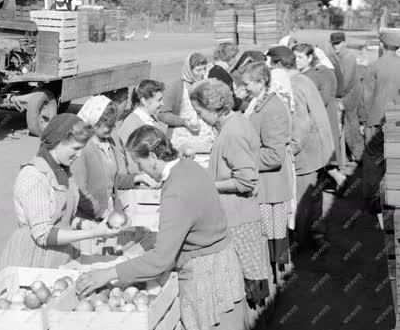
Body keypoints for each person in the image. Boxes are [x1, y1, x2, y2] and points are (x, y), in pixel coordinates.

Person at [76, 126, 246, 330]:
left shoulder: (175, 190)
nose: (141, 170)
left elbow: (160, 261)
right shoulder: (188, 166)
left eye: (140, 164)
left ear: (153, 158)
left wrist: (107, 273)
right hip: (222, 262)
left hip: (206, 275)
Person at [0, 114, 121, 268]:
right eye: (76, 148)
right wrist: (93, 233)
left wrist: (82, 224)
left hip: (58, 256)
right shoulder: (34, 177)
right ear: (58, 142)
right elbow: (43, 234)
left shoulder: (62, 171)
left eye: (81, 149)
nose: (79, 155)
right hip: (34, 260)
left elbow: (59, 216)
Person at [189, 79, 270, 311]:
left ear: (216, 107)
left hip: (238, 218)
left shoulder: (232, 133)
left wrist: (209, 184)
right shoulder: (236, 123)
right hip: (241, 215)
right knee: (250, 281)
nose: (199, 117)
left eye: (200, 112)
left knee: (247, 284)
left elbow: (246, 180)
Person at [266, 46, 334, 252]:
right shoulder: (304, 79)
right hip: (319, 148)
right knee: (314, 196)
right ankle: (317, 235)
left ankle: (299, 244)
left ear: (278, 64)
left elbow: (301, 125)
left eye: (270, 63)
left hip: (307, 150)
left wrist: (289, 151)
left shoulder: (291, 85)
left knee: (302, 199)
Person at [239, 62, 294, 281]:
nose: (243, 89)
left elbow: (273, 156)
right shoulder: (259, 102)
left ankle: (273, 290)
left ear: (261, 82)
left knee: (270, 241)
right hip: (266, 185)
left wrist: (242, 158)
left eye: (247, 84)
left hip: (270, 188)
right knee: (268, 241)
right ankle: (271, 284)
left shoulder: (272, 108)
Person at [72, 96, 158, 221]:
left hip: (108, 214)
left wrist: (138, 178)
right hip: (88, 219)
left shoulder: (110, 142)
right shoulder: (82, 149)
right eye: (107, 125)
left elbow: (115, 180)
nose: (112, 128)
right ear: (94, 121)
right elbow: (80, 191)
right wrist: (103, 213)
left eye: (113, 124)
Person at [293, 43, 346, 191]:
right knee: (321, 158)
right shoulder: (307, 74)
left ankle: (339, 179)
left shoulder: (319, 74)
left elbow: (323, 100)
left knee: (322, 156)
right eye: (295, 57)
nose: (297, 60)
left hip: (320, 121)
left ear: (310, 57)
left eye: (300, 57)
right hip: (316, 120)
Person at [361, 30, 400, 214]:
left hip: (376, 120)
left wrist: (363, 120)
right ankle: (393, 199)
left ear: (383, 45)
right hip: (397, 121)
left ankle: (373, 200)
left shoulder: (374, 66)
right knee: (394, 161)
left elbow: (366, 97)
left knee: (373, 160)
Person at [158, 53, 214, 158]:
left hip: (205, 140)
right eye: (198, 70)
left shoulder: (207, 84)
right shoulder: (176, 86)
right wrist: (184, 122)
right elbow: (162, 113)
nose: (202, 73)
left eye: (204, 69)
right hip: (181, 140)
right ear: (189, 69)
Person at [329, 31, 365, 163]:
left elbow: (346, 81)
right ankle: (346, 155)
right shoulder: (334, 56)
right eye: (333, 44)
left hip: (351, 95)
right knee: (342, 126)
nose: (335, 46)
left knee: (352, 126)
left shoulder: (349, 57)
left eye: (338, 43)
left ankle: (360, 156)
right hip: (341, 94)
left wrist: (336, 96)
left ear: (344, 43)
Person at [117, 79, 167, 173]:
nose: (162, 103)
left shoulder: (152, 120)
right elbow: (134, 165)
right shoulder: (132, 126)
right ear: (144, 101)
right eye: (159, 100)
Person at [208, 42, 241, 109]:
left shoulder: (212, 68)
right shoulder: (223, 74)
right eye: (234, 56)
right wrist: (241, 98)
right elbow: (230, 103)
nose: (235, 60)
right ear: (229, 56)